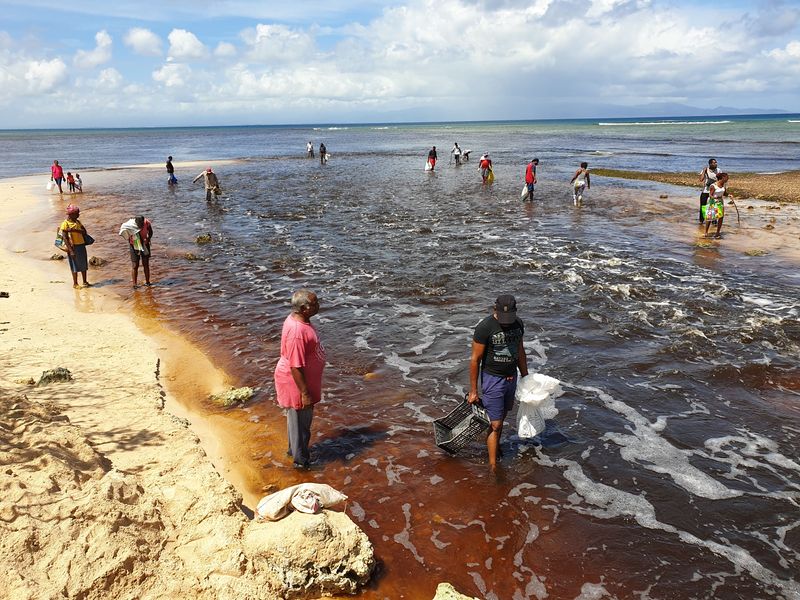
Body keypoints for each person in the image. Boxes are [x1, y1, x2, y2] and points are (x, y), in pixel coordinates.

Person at [467, 295, 528, 471]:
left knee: (501, 417)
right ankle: (493, 467)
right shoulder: (485, 327)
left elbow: (520, 351)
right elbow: (474, 360)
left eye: (509, 318)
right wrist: (473, 391)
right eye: (503, 318)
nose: (507, 322)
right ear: (495, 310)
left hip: (511, 377)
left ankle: (496, 447)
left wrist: (526, 378)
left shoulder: (518, 324)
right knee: (496, 424)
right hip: (493, 378)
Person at [274, 289, 326, 469]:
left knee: (297, 426)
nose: (319, 305)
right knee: (301, 427)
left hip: (299, 382)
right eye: (315, 303)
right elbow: (295, 366)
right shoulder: (297, 332)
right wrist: (304, 393)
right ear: (304, 308)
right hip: (296, 384)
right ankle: (301, 465)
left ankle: (293, 452)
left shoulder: (299, 321)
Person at [59, 204, 91, 288]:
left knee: (84, 264)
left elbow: (84, 232)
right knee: (74, 265)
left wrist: (75, 230)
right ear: (71, 214)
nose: (78, 215)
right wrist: (71, 251)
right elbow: (65, 238)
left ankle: (85, 281)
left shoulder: (78, 222)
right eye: (77, 213)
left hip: (81, 245)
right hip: (73, 247)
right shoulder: (65, 224)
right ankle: (75, 283)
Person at [120, 215, 153, 287]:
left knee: (146, 264)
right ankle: (134, 284)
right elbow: (124, 232)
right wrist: (131, 240)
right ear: (135, 222)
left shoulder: (146, 223)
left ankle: (148, 282)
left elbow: (150, 232)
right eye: (139, 224)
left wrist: (148, 238)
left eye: (142, 224)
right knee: (135, 265)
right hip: (134, 246)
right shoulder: (130, 225)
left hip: (145, 245)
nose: (141, 226)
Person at [704, 172, 732, 239]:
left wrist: (729, 195)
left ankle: (717, 232)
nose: (728, 179)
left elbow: (724, 193)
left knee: (721, 217)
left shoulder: (724, 185)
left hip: (720, 201)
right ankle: (706, 232)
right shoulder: (713, 185)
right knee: (710, 217)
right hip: (712, 201)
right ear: (722, 178)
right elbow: (710, 195)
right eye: (727, 177)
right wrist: (714, 198)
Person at [698, 158, 719, 224]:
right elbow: (701, 179)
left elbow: (720, 180)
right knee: (703, 206)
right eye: (714, 163)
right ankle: (701, 221)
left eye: (716, 162)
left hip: (714, 191)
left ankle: (713, 220)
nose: (715, 164)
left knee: (713, 206)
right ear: (710, 164)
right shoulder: (705, 170)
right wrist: (704, 171)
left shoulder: (718, 170)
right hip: (705, 191)